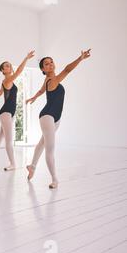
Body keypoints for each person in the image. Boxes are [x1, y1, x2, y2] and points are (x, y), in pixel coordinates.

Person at [26, 49, 91, 189]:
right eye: (46, 64)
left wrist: (34, 97)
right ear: (43, 69)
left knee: (41, 143)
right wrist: (80, 59)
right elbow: (67, 70)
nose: (50, 65)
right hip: (47, 116)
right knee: (50, 149)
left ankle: (32, 166)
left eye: (51, 62)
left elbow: (42, 90)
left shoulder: (47, 79)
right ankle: (55, 179)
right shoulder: (52, 79)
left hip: (56, 118)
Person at [0, 51, 35, 171]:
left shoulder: (8, 82)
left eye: (10, 65)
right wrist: (26, 58)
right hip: (6, 112)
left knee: (1, 135)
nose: (10, 67)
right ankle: (13, 163)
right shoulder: (7, 80)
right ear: (3, 71)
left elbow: (0, 92)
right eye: (7, 66)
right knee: (9, 139)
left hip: (9, 112)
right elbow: (19, 71)